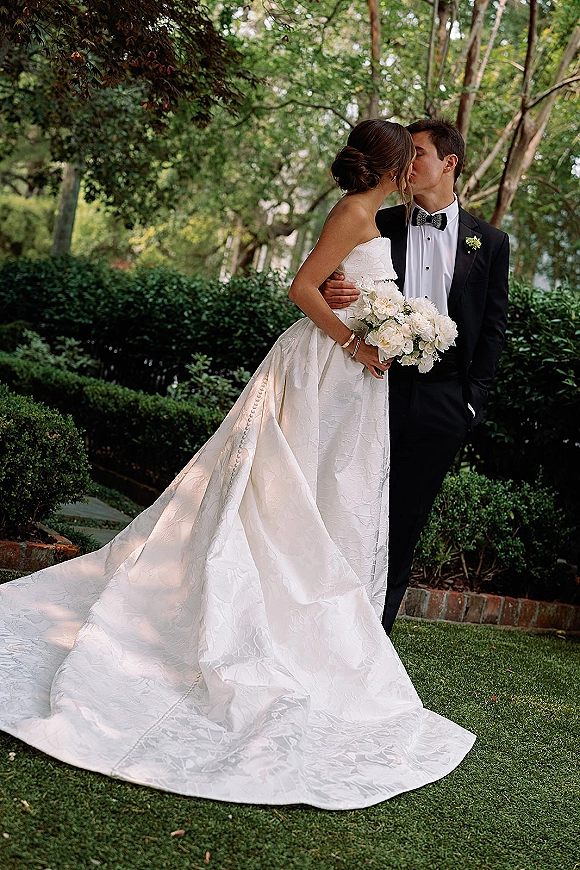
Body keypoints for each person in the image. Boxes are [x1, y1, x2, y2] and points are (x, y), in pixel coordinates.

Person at [0, 120, 475, 811]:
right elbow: (303, 288)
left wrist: (384, 320)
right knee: (278, 493)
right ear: (394, 167)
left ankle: (307, 622)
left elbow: (335, 281)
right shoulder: (352, 213)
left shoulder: (375, 215)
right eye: (410, 159)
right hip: (323, 368)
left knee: (318, 496)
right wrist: (357, 342)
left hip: (347, 380)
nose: (413, 169)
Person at [321, 119, 509, 635]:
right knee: (351, 504)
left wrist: (471, 405)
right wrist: (338, 291)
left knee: (405, 521)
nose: (409, 163)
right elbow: (333, 282)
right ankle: (324, 625)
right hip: (372, 385)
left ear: (449, 163)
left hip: (445, 401)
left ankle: (374, 637)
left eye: (419, 153)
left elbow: (493, 330)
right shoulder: (375, 221)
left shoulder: (490, 242)